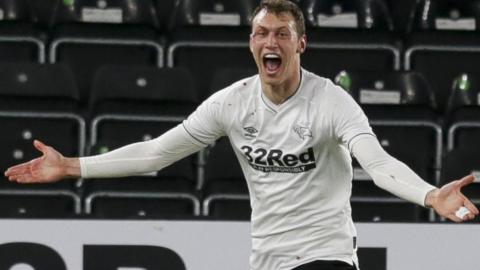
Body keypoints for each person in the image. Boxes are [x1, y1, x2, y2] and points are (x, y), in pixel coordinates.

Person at [4, 0, 479, 269]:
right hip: (266, 258)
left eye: (282, 34)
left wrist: (429, 195)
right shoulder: (231, 102)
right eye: (261, 33)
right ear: (251, 42)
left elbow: (377, 165)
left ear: (300, 43)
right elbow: (156, 154)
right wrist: (71, 166)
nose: (270, 42)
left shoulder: (331, 101)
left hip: (326, 255)